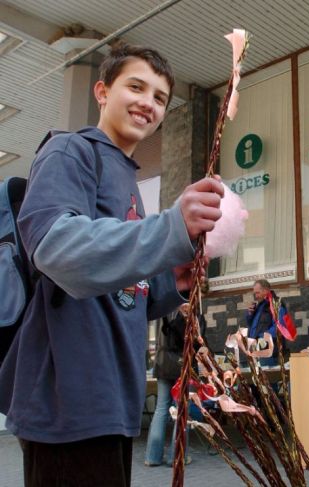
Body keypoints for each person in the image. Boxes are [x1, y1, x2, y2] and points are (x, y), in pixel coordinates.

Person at [0, 44, 223, 487]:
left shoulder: (130, 181)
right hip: (67, 403)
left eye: (160, 97)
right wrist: (170, 228)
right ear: (101, 91)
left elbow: (123, 294)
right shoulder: (70, 152)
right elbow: (57, 248)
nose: (148, 102)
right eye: (136, 86)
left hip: (111, 400)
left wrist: (168, 280)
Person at [144, 303, 206, 467]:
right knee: (181, 410)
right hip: (182, 365)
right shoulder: (193, 314)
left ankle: (152, 456)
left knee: (161, 408)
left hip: (163, 364)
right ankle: (176, 457)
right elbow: (195, 345)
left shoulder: (163, 307)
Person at [245, 279, 285, 366]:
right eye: (254, 293)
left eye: (257, 293)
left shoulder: (276, 304)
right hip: (255, 349)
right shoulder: (260, 306)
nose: (255, 296)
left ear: (266, 291)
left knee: (267, 377)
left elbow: (279, 327)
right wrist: (249, 314)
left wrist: (261, 337)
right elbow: (251, 325)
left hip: (268, 351)